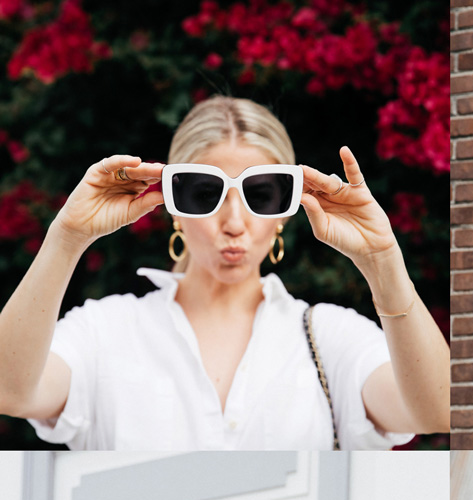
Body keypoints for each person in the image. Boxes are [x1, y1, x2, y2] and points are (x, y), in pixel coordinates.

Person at [0, 96, 449, 449]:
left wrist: (384, 263)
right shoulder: (106, 329)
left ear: (285, 211)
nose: (234, 222)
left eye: (261, 194)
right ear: (173, 203)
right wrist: (66, 238)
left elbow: (438, 411)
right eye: (203, 193)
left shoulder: (331, 337)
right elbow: (11, 392)